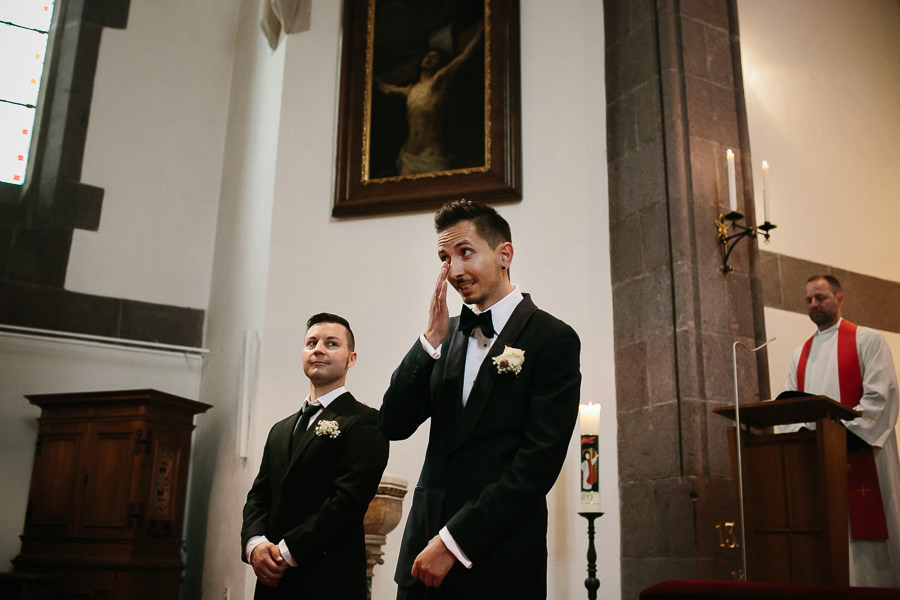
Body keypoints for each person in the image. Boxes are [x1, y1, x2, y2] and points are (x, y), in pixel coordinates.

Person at [380, 200, 582, 599]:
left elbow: (536, 465)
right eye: (444, 257)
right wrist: (428, 343)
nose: (454, 270)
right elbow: (392, 424)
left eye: (465, 252)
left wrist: (454, 541)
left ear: (504, 254)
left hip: (498, 560)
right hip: (422, 559)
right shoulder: (446, 334)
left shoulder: (552, 339)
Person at [240, 313, 389, 599]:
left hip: (328, 578)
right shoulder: (280, 429)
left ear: (351, 358)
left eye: (331, 343)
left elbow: (347, 501)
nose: (318, 349)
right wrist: (256, 544)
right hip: (272, 581)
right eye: (311, 343)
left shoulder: (365, 421)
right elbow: (259, 495)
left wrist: (285, 551)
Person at [782, 275, 900, 587]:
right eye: (808, 300)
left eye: (820, 297)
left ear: (840, 299)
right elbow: (789, 405)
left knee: (867, 549)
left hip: (861, 455)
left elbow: (880, 398)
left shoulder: (867, 340)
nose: (814, 305)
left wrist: (840, 436)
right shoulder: (800, 354)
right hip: (818, 460)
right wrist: (805, 439)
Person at [376, 21, 483, 176]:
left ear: (439, 63)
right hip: (410, 155)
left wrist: (479, 34)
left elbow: (463, 58)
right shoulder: (411, 90)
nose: (429, 58)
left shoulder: (439, 82)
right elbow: (385, 88)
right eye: (428, 55)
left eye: (435, 57)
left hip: (433, 155)